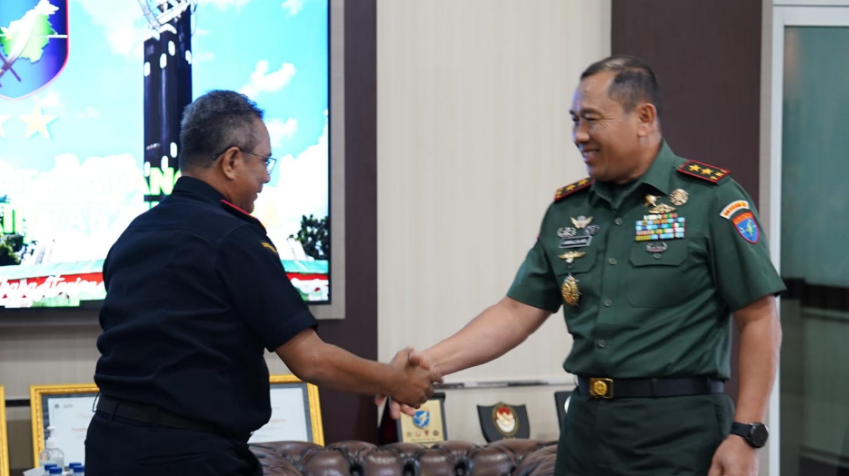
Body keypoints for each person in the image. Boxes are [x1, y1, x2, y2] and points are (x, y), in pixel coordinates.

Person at [382, 55, 784, 476]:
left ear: (643, 117)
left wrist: (747, 432)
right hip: (587, 431)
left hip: (680, 432)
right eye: (574, 120)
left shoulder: (711, 200)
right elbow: (517, 311)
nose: (579, 135)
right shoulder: (568, 211)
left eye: (592, 120)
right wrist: (430, 363)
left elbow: (759, 318)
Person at [86, 90, 440, 476]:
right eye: (264, 161)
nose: (267, 175)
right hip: (189, 457)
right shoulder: (234, 237)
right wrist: (395, 380)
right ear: (232, 161)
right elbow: (311, 359)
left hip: (108, 446)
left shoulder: (134, 233)